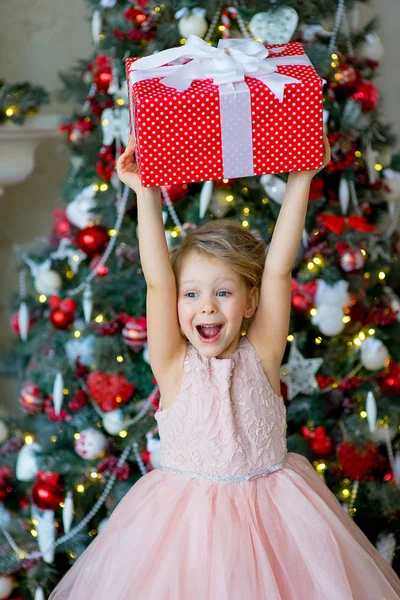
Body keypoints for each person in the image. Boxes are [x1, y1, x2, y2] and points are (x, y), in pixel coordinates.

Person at [49, 133, 400, 599]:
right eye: (191, 293)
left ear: (251, 302)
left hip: (278, 519)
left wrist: (302, 177)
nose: (207, 307)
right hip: (184, 533)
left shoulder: (264, 353)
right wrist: (145, 193)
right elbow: (157, 281)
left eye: (223, 292)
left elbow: (277, 268)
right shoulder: (172, 364)